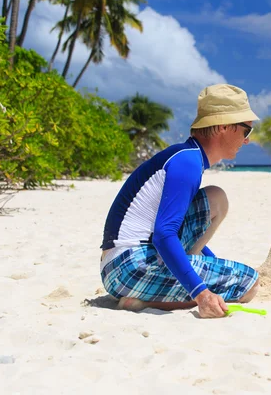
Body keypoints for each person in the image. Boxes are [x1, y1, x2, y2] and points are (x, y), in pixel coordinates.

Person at [99, 84, 260, 318]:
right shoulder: (188, 163)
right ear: (224, 126)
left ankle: (145, 298)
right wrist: (202, 293)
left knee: (216, 199)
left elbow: (178, 230)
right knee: (249, 285)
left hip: (116, 268)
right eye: (246, 131)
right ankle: (143, 301)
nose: (246, 141)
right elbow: (164, 235)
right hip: (132, 266)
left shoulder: (184, 156)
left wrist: (214, 266)